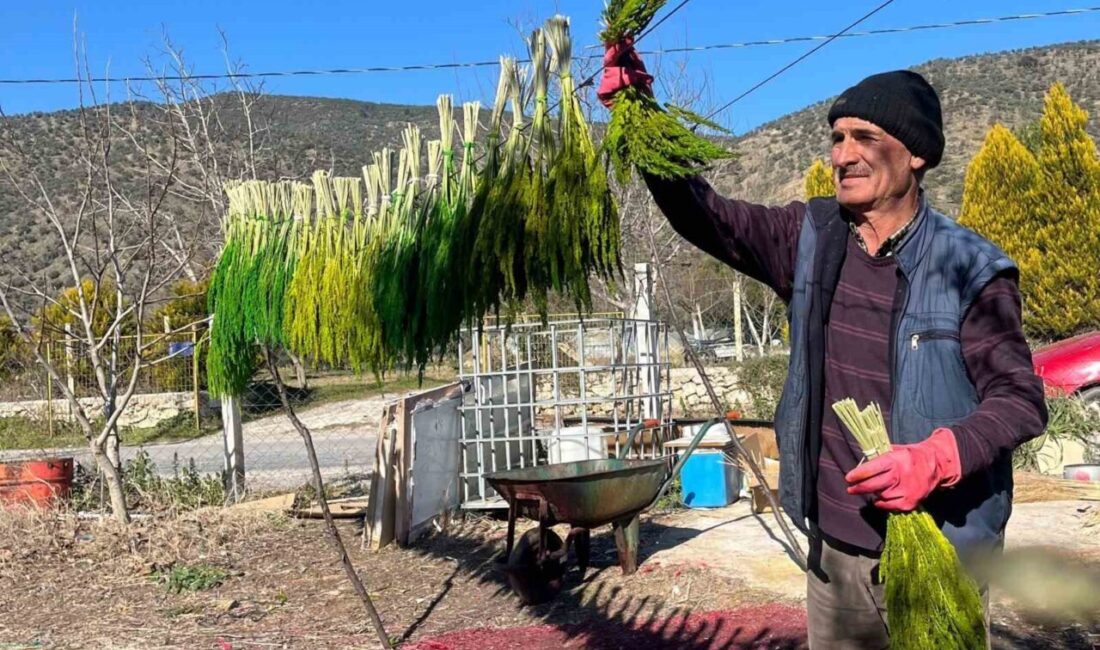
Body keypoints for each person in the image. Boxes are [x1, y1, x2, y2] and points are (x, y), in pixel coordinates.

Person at [597, 42, 1048, 648]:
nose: (843, 154)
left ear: (916, 153)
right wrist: (640, 114)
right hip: (836, 551)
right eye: (837, 138)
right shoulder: (811, 237)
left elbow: (1020, 400)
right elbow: (708, 216)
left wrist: (935, 458)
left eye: (864, 137)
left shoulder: (971, 267)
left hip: (945, 548)